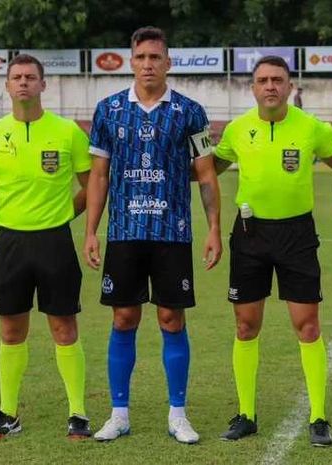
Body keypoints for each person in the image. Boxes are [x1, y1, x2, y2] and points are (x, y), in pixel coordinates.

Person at [83, 26, 222, 445]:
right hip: (124, 232)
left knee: (171, 318)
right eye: (141, 57)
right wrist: (91, 231)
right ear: (131, 62)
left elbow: (206, 175)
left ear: (168, 63)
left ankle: (178, 414)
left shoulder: (190, 111)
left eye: (155, 57)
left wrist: (214, 228)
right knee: (123, 318)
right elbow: (98, 176)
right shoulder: (108, 110)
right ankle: (119, 414)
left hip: (172, 233)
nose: (148, 64)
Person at [213, 56, 332, 445]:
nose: (270, 86)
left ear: (290, 86)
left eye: (277, 80)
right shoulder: (236, 130)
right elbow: (207, 169)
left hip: (296, 235)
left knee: (308, 325)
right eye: (263, 80)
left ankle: (318, 416)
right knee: (245, 326)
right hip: (250, 233)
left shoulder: (313, 128)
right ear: (252, 87)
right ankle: (246, 414)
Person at [0, 54, 92, 440]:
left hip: (55, 240)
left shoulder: (68, 132)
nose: (23, 82)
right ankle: (8, 414)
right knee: (11, 330)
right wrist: (7, 212)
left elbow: (91, 184)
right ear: (6, 86)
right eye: (16, 77)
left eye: (30, 77)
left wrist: (64, 214)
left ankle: (78, 413)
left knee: (64, 327)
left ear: (43, 84)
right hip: (10, 241)